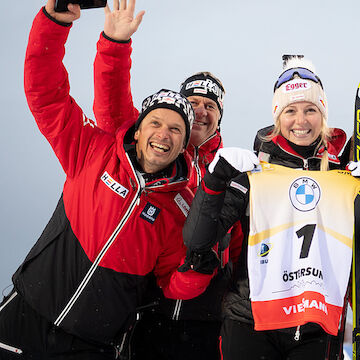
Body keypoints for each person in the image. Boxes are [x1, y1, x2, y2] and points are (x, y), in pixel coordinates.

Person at [0, 1, 214, 358]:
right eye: (156, 123)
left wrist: (197, 273)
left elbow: (171, 283)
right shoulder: (93, 150)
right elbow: (45, 94)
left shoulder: (181, 208)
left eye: (176, 129)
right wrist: (54, 23)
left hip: (91, 344)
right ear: (139, 128)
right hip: (26, 318)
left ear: (183, 145)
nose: (164, 134)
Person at [182, 57, 360, 360]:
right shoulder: (255, 172)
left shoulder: (344, 172)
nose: (300, 121)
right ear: (278, 116)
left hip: (316, 324)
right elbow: (198, 239)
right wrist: (214, 180)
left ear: (323, 115)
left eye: (310, 110)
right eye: (290, 110)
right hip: (250, 320)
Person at [91, 2, 238, 359]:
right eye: (193, 102)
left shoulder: (233, 170)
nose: (201, 111)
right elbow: (112, 110)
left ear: (220, 117)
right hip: (147, 310)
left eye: (211, 105)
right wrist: (114, 43)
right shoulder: (156, 159)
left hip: (207, 318)